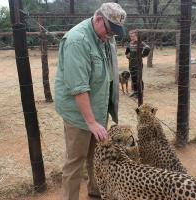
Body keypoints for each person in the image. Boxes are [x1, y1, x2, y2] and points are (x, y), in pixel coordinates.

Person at [54, 3, 126, 200]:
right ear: (98, 19)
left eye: (115, 33)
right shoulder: (77, 41)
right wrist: (91, 122)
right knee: (75, 160)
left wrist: (103, 113)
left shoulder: (106, 36)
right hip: (78, 112)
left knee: (97, 154)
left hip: (98, 107)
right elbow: (78, 88)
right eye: (110, 31)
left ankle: (96, 191)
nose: (111, 36)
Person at [125, 30, 150, 98]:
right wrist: (128, 56)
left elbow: (147, 48)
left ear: (136, 36)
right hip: (131, 64)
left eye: (133, 36)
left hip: (138, 65)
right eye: (130, 36)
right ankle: (135, 92)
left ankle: (140, 93)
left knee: (138, 78)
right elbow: (127, 52)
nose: (131, 37)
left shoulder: (140, 43)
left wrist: (142, 55)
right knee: (133, 79)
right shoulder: (130, 43)